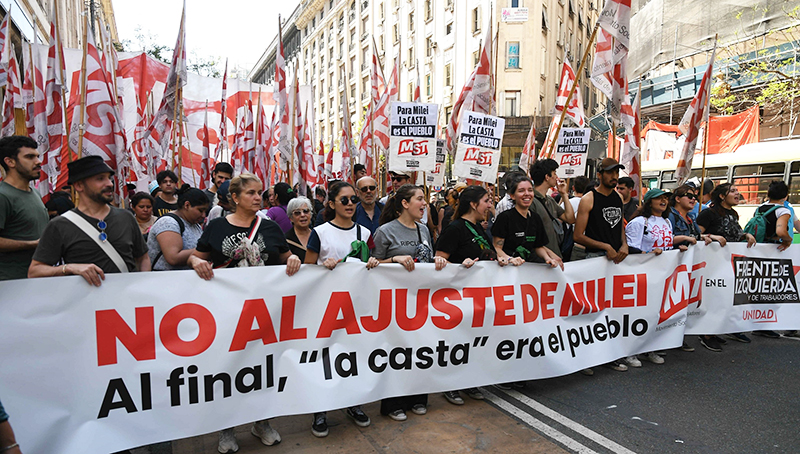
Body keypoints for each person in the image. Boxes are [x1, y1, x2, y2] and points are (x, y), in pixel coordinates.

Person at [187, 173, 300, 453]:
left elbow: (284, 255)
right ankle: (227, 428)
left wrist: (294, 258)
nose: (257, 197)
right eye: (250, 193)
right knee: (230, 368)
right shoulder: (215, 227)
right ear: (234, 198)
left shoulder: (271, 227)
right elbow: (197, 256)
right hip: (227, 311)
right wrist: (193, 262)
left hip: (265, 312)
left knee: (263, 369)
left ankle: (262, 422)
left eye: (260, 192)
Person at [304, 180, 376, 437]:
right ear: (332, 203)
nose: (350, 204)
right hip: (325, 308)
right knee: (324, 359)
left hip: (355, 308)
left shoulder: (365, 234)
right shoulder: (320, 232)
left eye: (353, 200)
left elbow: (369, 266)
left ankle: (353, 404)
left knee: (353, 357)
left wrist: (374, 262)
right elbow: (307, 270)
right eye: (344, 200)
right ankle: (320, 411)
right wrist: (323, 267)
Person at [372, 184, 447, 421]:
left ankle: (418, 397)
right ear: (404, 204)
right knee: (396, 351)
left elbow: (426, 258)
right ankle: (393, 403)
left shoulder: (424, 229)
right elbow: (370, 264)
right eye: (419, 199)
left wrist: (438, 262)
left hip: (420, 301)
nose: (424, 204)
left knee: (421, 348)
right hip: (393, 303)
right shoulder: (385, 231)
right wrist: (394, 259)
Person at [29, 156, 150, 286]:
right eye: (100, 179)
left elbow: (143, 258)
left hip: (125, 302)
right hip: (85, 303)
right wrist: (68, 268)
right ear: (79, 185)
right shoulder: (60, 225)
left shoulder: (126, 217)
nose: (109, 183)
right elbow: (35, 271)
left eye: (109, 178)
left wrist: (142, 286)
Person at [435, 185, 498, 404]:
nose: (490, 205)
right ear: (473, 204)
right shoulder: (455, 229)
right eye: (486, 201)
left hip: (478, 296)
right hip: (456, 297)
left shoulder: (479, 227)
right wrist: (460, 266)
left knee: (472, 341)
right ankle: (449, 384)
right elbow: (440, 261)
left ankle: (468, 381)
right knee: (455, 342)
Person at [573, 157, 630, 374]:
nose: (614, 177)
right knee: (591, 311)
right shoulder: (589, 199)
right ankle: (586, 358)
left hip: (615, 260)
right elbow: (578, 235)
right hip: (595, 260)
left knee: (612, 310)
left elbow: (619, 228)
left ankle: (608, 355)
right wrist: (605, 246)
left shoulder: (617, 197)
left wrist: (623, 244)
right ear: (600, 175)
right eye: (610, 173)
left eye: (617, 173)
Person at [622, 188, 686, 367]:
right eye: (659, 198)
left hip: (662, 274)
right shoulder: (639, 222)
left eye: (666, 198)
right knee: (639, 313)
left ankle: (650, 348)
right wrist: (649, 253)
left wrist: (678, 247)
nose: (664, 201)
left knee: (656, 312)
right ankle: (631, 351)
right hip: (643, 273)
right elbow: (631, 249)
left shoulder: (666, 221)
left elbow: (666, 242)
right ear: (650, 202)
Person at [696, 183, 756, 343]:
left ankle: (727, 328)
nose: (738, 194)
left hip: (732, 263)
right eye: (733, 191)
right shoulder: (708, 213)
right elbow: (696, 234)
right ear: (722, 196)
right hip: (713, 265)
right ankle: (707, 333)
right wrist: (712, 236)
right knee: (714, 297)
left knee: (730, 297)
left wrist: (745, 235)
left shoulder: (734, 214)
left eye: (737, 191)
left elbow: (733, 234)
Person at [666, 184, 723, 352]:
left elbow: (696, 236)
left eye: (695, 197)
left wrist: (709, 237)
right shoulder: (671, 216)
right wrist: (681, 242)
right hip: (673, 266)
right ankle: (667, 337)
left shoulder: (690, 217)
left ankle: (677, 336)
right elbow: (666, 237)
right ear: (677, 199)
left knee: (683, 301)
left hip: (688, 267)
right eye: (688, 196)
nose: (693, 199)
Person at [0, 135, 49, 281]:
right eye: (30, 157)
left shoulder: (35, 193)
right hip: (10, 283)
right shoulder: (3, 196)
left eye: (38, 156)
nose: (38, 162)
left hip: (36, 279)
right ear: (10, 162)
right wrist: (33, 244)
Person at [749, 180, 792, 339]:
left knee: (759, 287)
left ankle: (756, 323)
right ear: (785, 195)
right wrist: (787, 240)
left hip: (759, 249)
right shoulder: (783, 210)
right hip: (773, 250)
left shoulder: (760, 208)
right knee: (771, 288)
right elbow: (780, 231)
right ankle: (764, 325)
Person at [491, 175, 563, 268]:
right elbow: (497, 247)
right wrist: (509, 259)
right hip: (509, 270)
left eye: (530, 190)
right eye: (521, 191)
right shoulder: (505, 218)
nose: (527, 194)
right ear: (512, 196)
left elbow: (538, 246)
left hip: (530, 270)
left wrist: (547, 258)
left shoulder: (535, 218)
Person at [147, 185, 208, 271]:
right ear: (187, 205)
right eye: (200, 210)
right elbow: (173, 258)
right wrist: (206, 250)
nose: (203, 215)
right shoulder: (168, 223)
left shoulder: (195, 224)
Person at [530, 158, 575, 261]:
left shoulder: (550, 200)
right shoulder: (531, 202)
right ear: (547, 177)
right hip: (540, 260)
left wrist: (564, 194)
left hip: (554, 257)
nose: (556, 177)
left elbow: (570, 219)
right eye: (554, 173)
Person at [285, 196, 314, 262]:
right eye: (297, 213)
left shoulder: (318, 235)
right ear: (291, 218)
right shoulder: (286, 240)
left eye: (306, 211)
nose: (302, 215)